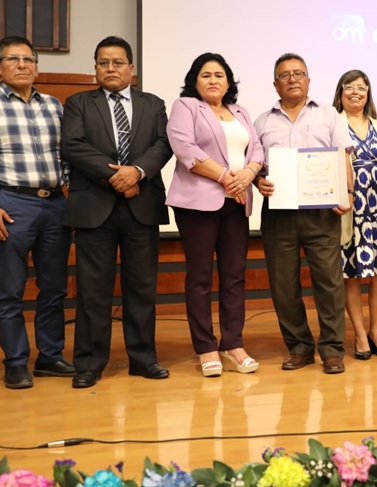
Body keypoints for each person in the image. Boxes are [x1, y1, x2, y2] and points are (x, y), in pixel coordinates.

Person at [0, 36, 73, 389]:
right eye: (13, 59)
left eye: (28, 59)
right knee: (11, 290)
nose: (22, 65)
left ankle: (49, 357)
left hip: (54, 204)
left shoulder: (54, 106)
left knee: (54, 287)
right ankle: (16, 361)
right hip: (10, 205)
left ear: (37, 66)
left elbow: (65, 159)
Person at [62, 36, 173, 388]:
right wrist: (117, 176)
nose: (111, 68)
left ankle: (143, 358)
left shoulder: (153, 104)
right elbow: (73, 146)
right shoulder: (78, 103)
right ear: (95, 68)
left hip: (142, 206)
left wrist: (137, 172)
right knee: (93, 290)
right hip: (95, 206)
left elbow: (164, 144)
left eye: (118, 62)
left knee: (141, 288)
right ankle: (90, 363)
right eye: (103, 62)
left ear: (131, 69)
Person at [253, 53, 354, 374]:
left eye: (299, 73)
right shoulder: (262, 121)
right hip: (278, 212)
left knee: (329, 282)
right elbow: (255, 165)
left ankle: (332, 349)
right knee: (283, 285)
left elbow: (344, 158)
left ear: (308, 80)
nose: (292, 79)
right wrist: (258, 181)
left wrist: (348, 192)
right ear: (275, 84)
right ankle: (299, 347)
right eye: (285, 75)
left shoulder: (327, 115)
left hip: (321, 211)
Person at [167, 53, 265, 376]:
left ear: (228, 82)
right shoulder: (186, 107)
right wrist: (226, 178)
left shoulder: (240, 111)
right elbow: (185, 149)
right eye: (206, 75)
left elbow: (257, 150)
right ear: (195, 81)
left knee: (235, 276)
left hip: (237, 202)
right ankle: (206, 348)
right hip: (198, 202)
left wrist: (249, 174)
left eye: (219, 75)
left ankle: (233, 344)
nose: (213, 80)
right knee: (200, 278)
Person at [331, 70, 377, 360]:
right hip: (349, 210)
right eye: (349, 87)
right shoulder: (333, 123)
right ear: (340, 92)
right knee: (352, 275)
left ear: (368, 93)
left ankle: (376, 331)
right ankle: (359, 334)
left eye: (362, 87)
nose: (355, 92)